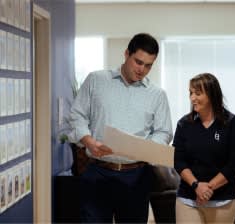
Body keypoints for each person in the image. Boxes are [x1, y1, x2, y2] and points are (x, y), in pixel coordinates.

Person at [67, 33, 173, 223]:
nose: (142, 70)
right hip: (98, 172)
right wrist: (89, 142)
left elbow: (164, 131)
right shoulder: (96, 80)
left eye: (148, 65)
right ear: (126, 54)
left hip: (137, 176)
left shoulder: (157, 95)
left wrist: (146, 148)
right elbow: (76, 116)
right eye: (138, 62)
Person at [173, 73, 235, 224]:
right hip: (188, 200)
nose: (192, 98)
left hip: (223, 202)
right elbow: (178, 161)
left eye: (197, 93)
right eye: (191, 93)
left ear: (212, 95)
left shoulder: (232, 123)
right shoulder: (184, 124)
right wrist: (196, 185)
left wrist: (207, 188)